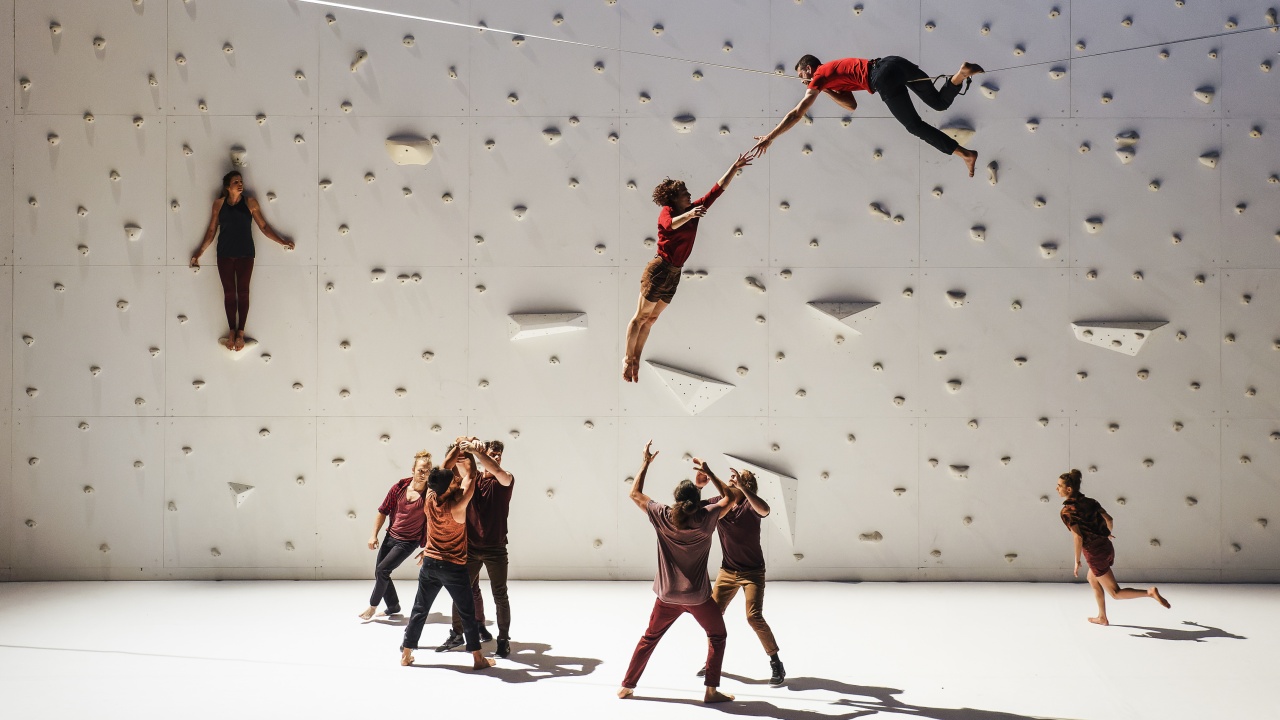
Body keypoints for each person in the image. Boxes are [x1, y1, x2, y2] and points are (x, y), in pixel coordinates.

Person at [618, 443, 737, 704]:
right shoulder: (707, 517)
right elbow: (731, 498)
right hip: (698, 597)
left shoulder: (663, 515)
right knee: (717, 636)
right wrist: (710, 473)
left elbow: (634, 493)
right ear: (696, 502)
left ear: (676, 499)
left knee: (649, 638)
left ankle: (627, 686)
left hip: (667, 596)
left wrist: (645, 463)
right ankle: (711, 691)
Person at [623, 152, 753, 383]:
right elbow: (669, 226)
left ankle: (636, 359)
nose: (689, 195)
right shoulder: (669, 212)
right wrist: (690, 214)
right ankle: (627, 357)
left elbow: (717, 190)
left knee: (651, 320)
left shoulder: (694, 211)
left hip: (675, 273)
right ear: (674, 199)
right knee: (641, 316)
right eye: (684, 193)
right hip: (659, 269)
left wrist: (734, 167)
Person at [751, 55, 984, 176]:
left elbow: (797, 113)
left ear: (809, 70)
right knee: (939, 103)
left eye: (802, 76)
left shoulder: (819, 75)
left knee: (914, 126)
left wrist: (770, 137)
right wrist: (826, 90)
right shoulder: (830, 76)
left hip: (881, 77)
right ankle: (961, 74)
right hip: (893, 63)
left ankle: (964, 154)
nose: (803, 82)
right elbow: (851, 105)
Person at [400, 444, 496, 671]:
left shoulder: (430, 497)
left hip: (430, 564)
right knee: (467, 612)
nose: (456, 481)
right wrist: (469, 450)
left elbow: (443, 468)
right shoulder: (458, 507)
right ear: (447, 487)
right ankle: (478, 658)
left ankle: (406, 653)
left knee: (419, 609)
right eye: (453, 481)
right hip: (453, 567)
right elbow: (471, 477)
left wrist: (457, 447)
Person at [695, 467, 785, 686]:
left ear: (747, 486)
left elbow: (765, 510)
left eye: (736, 480)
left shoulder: (750, 505)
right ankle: (711, 662)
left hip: (753, 572)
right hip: (727, 571)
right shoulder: (721, 502)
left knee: (754, 617)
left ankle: (776, 662)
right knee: (712, 616)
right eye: (731, 480)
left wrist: (743, 488)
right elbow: (695, 509)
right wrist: (698, 487)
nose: (730, 481)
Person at [190, 170, 295, 351]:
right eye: (236, 182)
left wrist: (282, 241)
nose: (240, 184)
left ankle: (240, 333)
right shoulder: (218, 204)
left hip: (246, 254)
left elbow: (263, 226)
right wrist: (199, 252)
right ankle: (231, 331)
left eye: (241, 181)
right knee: (229, 293)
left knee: (244, 292)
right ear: (228, 186)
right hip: (224, 254)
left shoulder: (250, 203)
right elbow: (211, 230)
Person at [1057, 469, 1171, 626]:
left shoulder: (1067, 511)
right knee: (1092, 578)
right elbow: (1109, 519)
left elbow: (1078, 537)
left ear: (1069, 489)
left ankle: (1149, 593)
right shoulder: (1091, 502)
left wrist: (1077, 561)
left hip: (1095, 554)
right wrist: (1106, 533)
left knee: (1115, 593)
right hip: (1107, 547)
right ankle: (1102, 617)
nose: (1057, 488)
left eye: (1059, 486)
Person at [437, 439, 516, 658]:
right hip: (470, 548)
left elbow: (496, 469)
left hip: (496, 548)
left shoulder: (505, 479)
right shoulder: (473, 479)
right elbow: (454, 465)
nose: (496, 457)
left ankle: (503, 640)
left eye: (499, 454)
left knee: (500, 594)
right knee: (460, 591)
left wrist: (478, 452)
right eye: (493, 453)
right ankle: (457, 634)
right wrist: (467, 443)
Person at [358, 451, 432, 621]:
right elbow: (383, 511)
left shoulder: (430, 495)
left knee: (382, 570)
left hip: (408, 541)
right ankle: (393, 606)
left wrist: (428, 547)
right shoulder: (398, 488)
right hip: (390, 536)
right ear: (413, 470)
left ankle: (372, 606)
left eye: (427, 471)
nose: (424, 474)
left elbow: (435, 522)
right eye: (421, 470)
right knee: (380, 572)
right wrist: (373, 535)